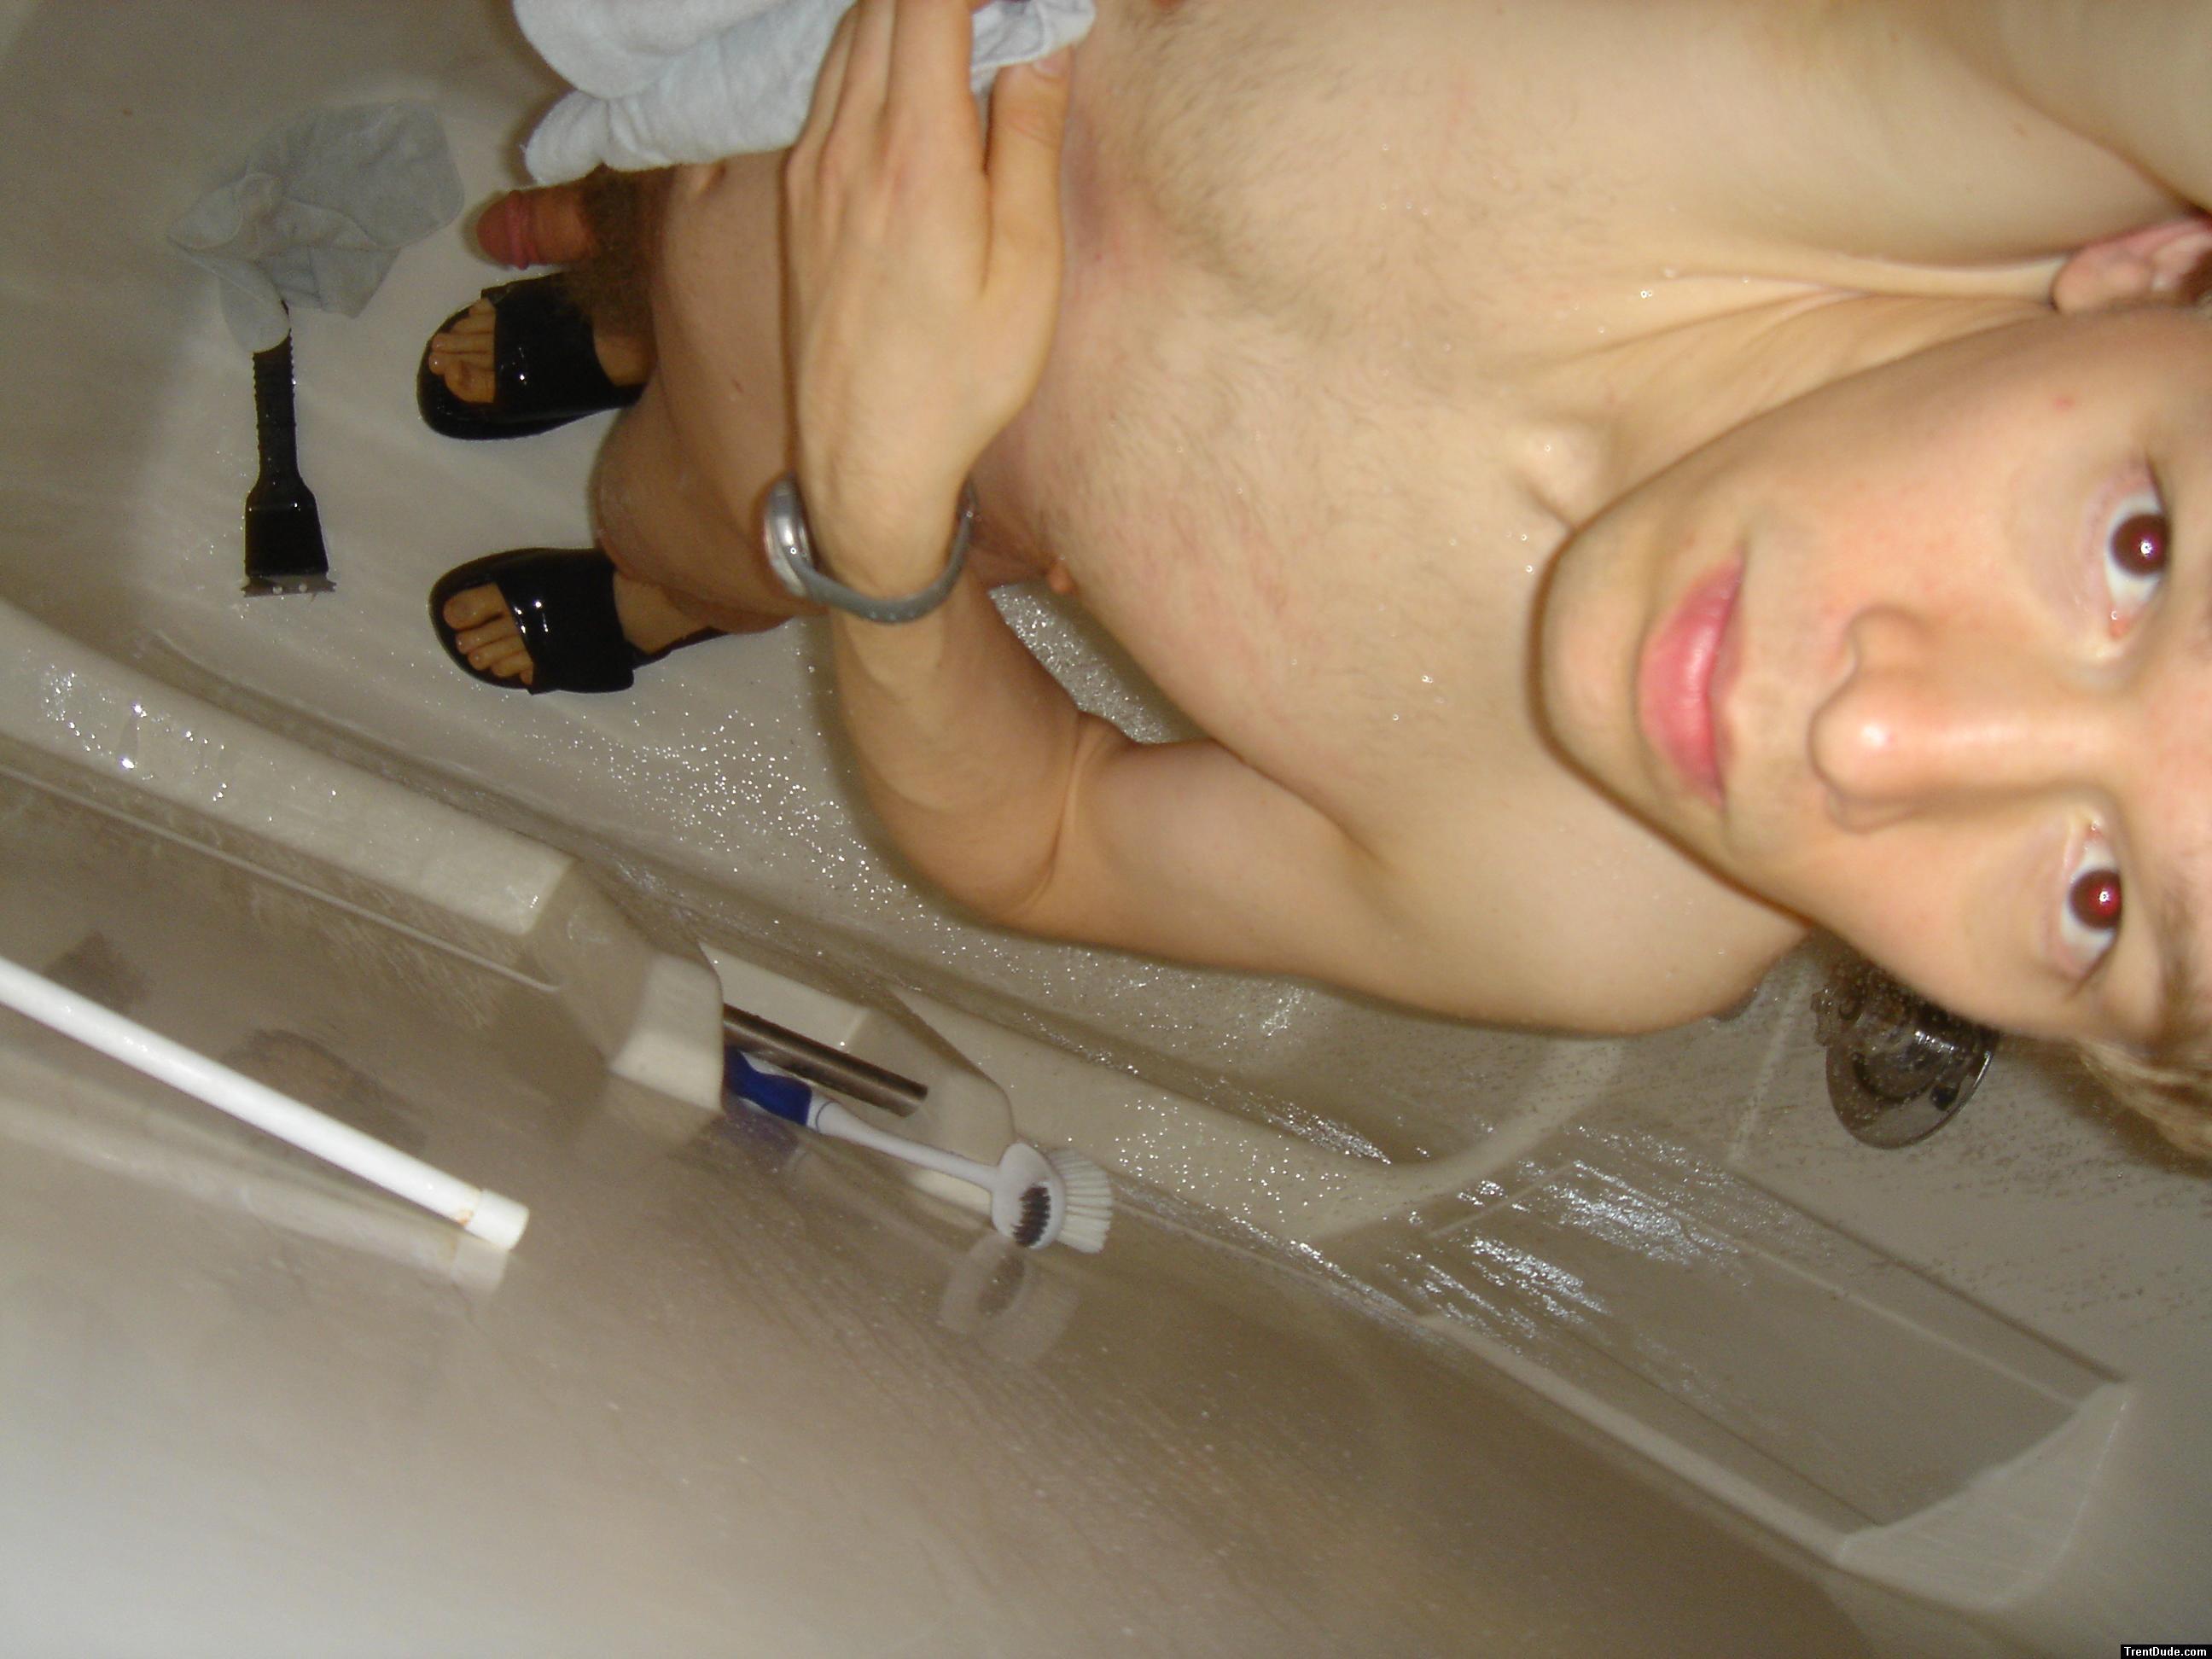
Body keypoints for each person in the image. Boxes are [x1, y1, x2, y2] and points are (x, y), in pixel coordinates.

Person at [423, 0, 2212, 1154]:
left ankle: (665, 569)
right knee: (641, 220)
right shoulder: (1877, 86)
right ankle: (611, 282)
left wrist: (881, 537)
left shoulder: (1599, 909)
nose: (1878, 738)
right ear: (2160, 266)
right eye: (2139, 551)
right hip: (798, 63)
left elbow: (1037, 835)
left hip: (806, 441)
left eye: (2095, 904)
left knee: (675, 514)